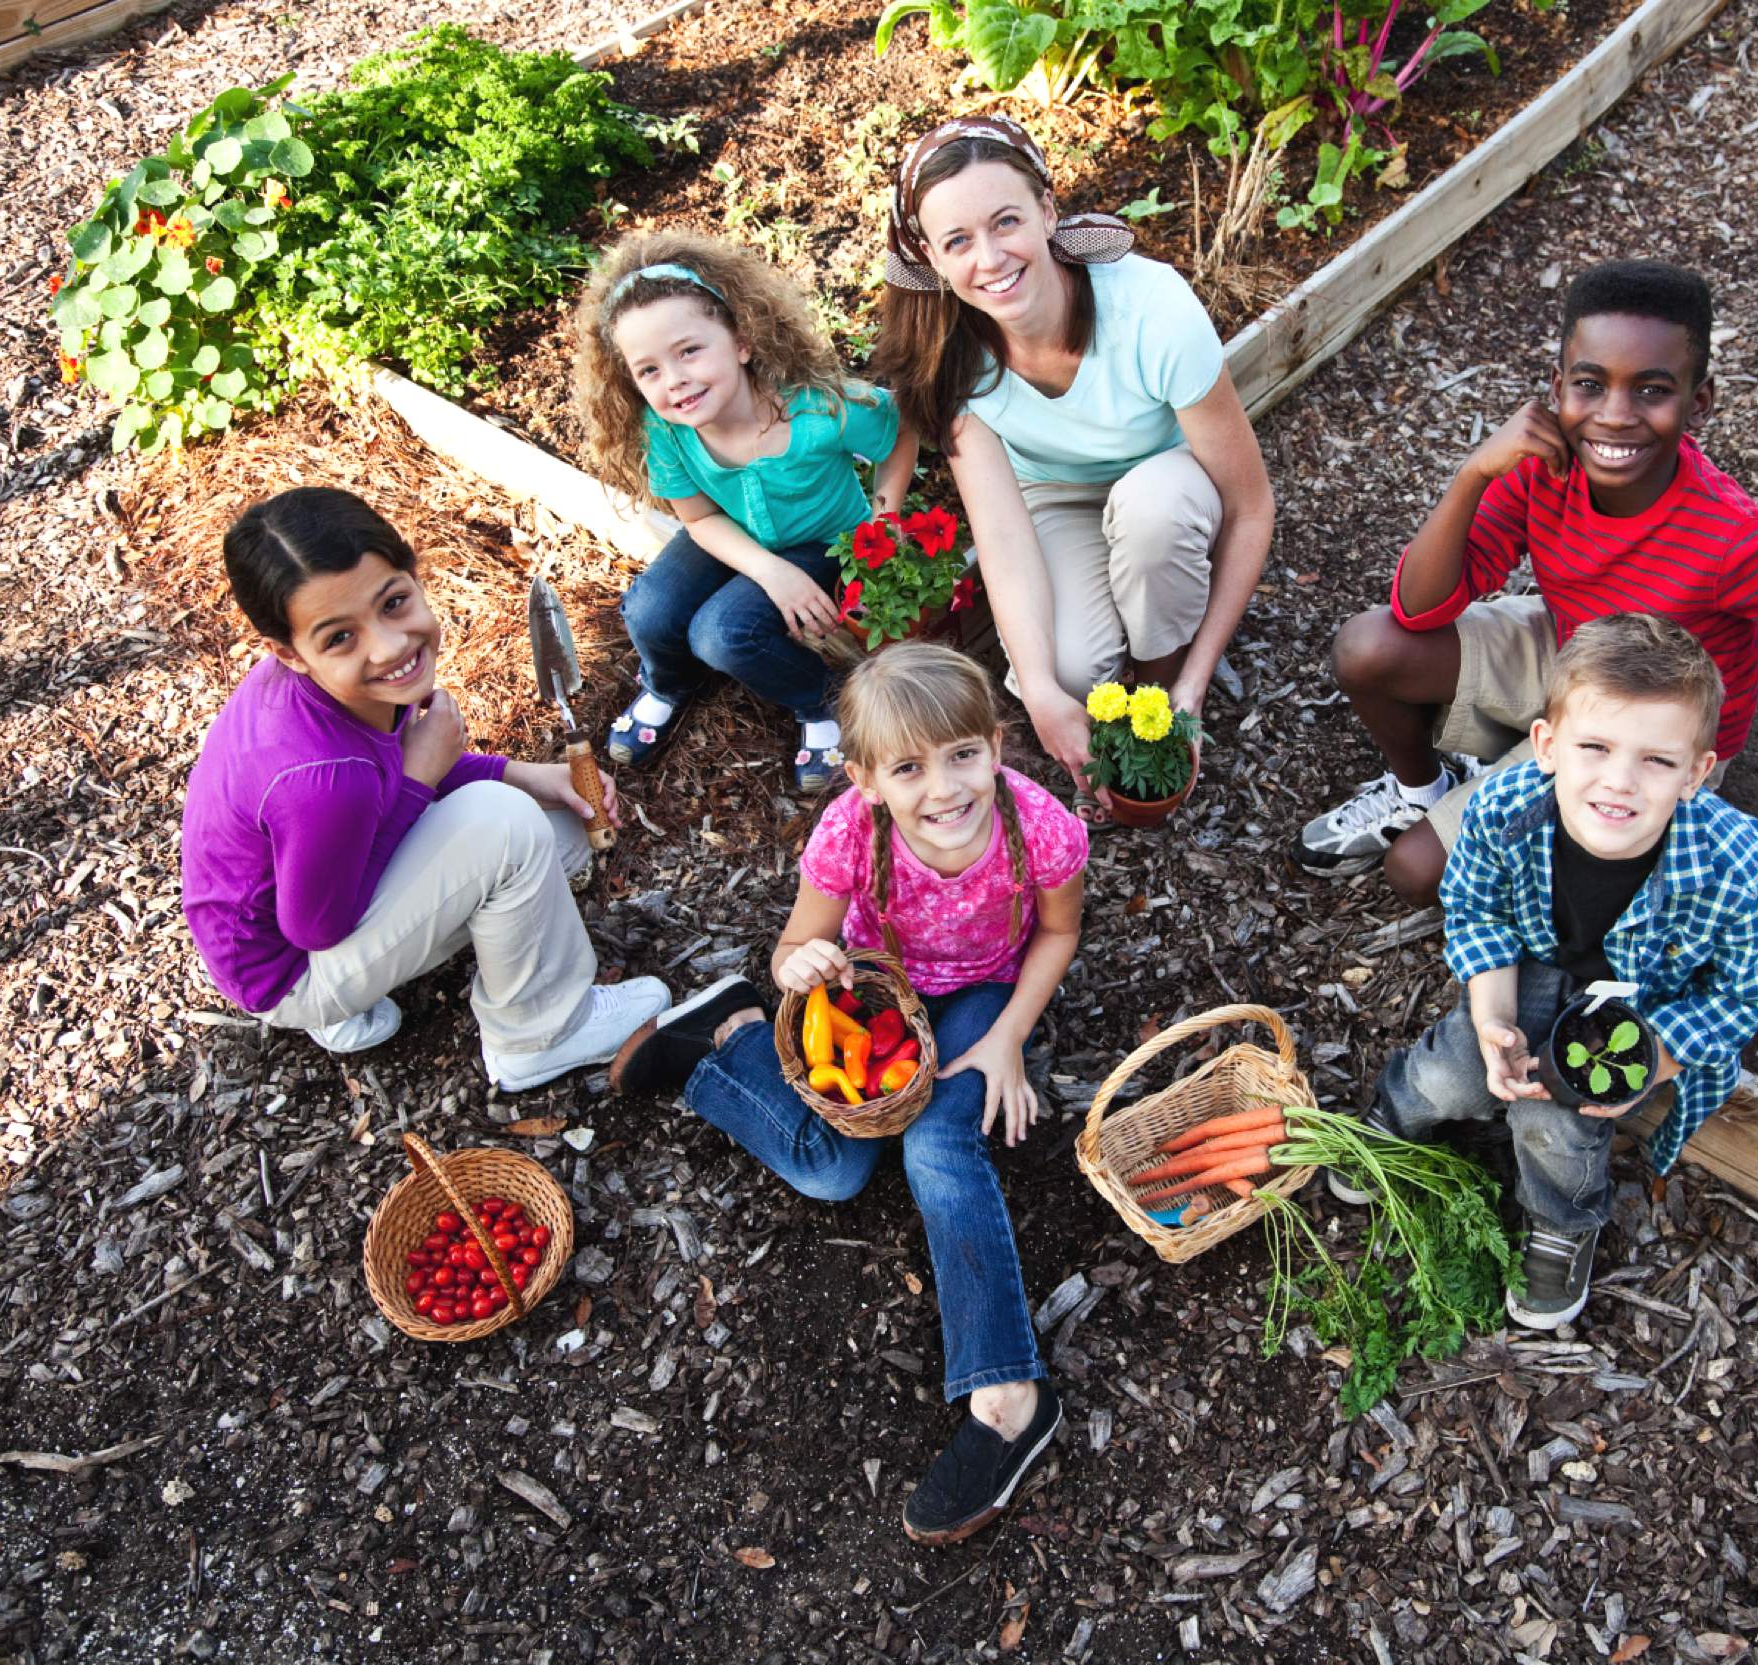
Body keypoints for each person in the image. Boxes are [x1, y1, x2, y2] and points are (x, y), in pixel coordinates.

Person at [1294, 259, 1758, 964]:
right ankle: (1423, 790)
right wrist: (1474, 473)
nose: (1615, 414)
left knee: (1417, 873)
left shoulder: (1732, 541)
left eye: (1651, 391)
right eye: (1589, 385)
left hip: (1653, 717)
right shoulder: (1540, 468)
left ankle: (1580, 872)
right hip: (1572, 650)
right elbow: (1418, 605)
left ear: (1698, 402)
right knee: (1368, 646)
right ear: (1556, 391)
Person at [607, 643, 1087, 1544]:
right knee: (833, 1171)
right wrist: (801, 967)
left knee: (939, 1142)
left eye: (962, 755)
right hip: (872, 991)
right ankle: (725, 1046)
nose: (944, 789)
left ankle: (1008, 1398)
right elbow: (794, 953)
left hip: (984, 990)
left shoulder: (1041, 826)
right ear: (866, 779)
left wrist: (1007, 1038)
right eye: (909, 768)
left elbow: (1058, 933)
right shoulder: (848, 834)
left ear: (996, 744)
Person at [1346, 614, 1758, 1329]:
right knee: (1453, 1071)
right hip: (1526, 970)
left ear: (1697, 774)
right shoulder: (1501, 807)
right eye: (1595, 746)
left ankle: (1561, 1220)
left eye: (1656, 760)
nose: (1619, 782)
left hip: (1639, 1008)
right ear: (1548, 745)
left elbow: (1753, 988)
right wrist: (1493, 1016)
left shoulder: (1734, 860)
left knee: (1557, 1121)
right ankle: (1396, 1112)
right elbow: (1478, 913)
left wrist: (1650, 1059)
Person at [179, 487, 671, 1090]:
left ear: (414, 575)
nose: (388, 646)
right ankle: (541, 1035)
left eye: (393, 603)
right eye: (340, 637)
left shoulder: (327, 691)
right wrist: (423, 779)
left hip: (275, 920)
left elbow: (394, 775)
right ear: (290, 652)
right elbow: (318, 927)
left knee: (559, 826)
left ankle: (354, 1005)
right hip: (291, 971)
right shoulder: (322, 782)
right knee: (509, 828)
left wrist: (524, 775)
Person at [872, 114, 1274, 789]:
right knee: (1066, 675)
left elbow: (1252, 505)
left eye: (1006, 222)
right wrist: (1038, 690)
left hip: (1168, 484)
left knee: (1153, 517)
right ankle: (1125, 651)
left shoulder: (1152, 311)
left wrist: (1194, 681)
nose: (990, 259)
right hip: (1056, 500)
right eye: (958, 241)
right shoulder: (947, 356)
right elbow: (1001, 534)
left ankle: (1162, 676)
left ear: (1048, 211)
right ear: (933, 260)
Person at [572, 230, 917, 792]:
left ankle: (820, 702)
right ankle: (668, 683)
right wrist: (768, 570)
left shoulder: (814, 409)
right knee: (648, 609)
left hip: (822, 539)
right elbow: (700, 519)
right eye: (649, 370)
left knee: (726, 634)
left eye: (689, 351)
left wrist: (885, 518)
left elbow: (899, 430)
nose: (675, 380)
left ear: (741, 341)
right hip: (731, 533)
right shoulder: (665, 430)